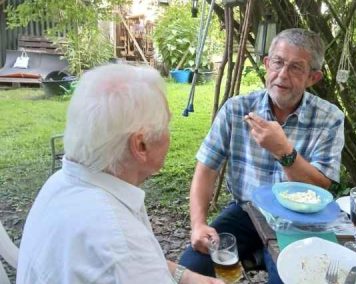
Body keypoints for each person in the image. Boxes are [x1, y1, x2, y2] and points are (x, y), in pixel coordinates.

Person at [16, 64, 223, 284]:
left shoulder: (63, 183)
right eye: (166, 125)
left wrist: (188, 277)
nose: (169, 135)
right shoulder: (119, 243)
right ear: (140, 146)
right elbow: (126, 260)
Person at [179, 28, 345, 283]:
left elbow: (325, 187)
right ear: (267, 63)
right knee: (191, 266)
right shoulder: (237, 109)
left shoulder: (329, 117)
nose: (282, 75)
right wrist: (198, 224)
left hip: (299, 222)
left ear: (313, 77)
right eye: (277, 62)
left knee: (294, 278)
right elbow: (206, 169)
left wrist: (284, 151)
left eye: (296, 68)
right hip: (247, 212)